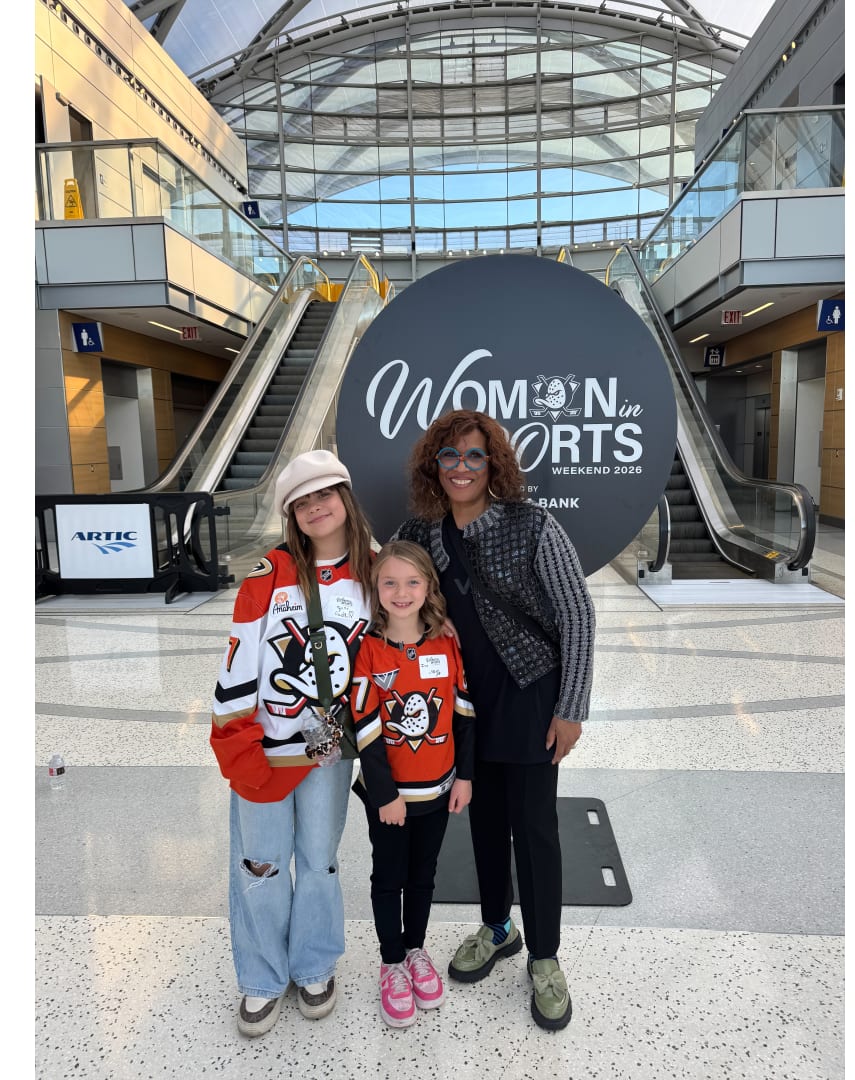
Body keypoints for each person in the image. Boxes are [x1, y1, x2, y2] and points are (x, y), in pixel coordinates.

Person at [389, 410, 595, 1032]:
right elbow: (392, 589)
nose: (461, 468)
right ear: (434, 466)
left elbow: (578, 616)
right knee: (483, 824)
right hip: (465, 707)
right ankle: (498, 926)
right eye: (449, 456)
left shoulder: (533, 525)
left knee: (534, 831)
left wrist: (571, 709)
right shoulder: (417, 533)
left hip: (530, 697)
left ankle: (545, 956)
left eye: (474, 456)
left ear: (493, 464)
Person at [209, 449, 378, 1037]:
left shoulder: (376, 570)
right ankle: (260, 976)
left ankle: (313, 964)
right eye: (301, 501)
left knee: (319, 861)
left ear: (345, 497)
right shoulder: (271, 572)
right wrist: (236, 744)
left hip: (330, 754)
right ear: (290, 515)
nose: (315, 507)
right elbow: (238, 661)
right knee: (259, 863)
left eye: (324, 493)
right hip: (266, 749)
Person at [348, 540, 475, 1028]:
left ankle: (416, 948)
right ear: (376, 588)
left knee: (424, 875)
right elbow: (365, 726)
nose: (401, 592)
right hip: (390, 799)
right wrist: (385, 794)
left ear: (428, 587)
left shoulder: (446, 643)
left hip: (438, 791)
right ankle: (391, 962)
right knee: (389, 877)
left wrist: (465, 776)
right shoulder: (368, 649)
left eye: (412, 582)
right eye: (390, 582)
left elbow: (464, 714)